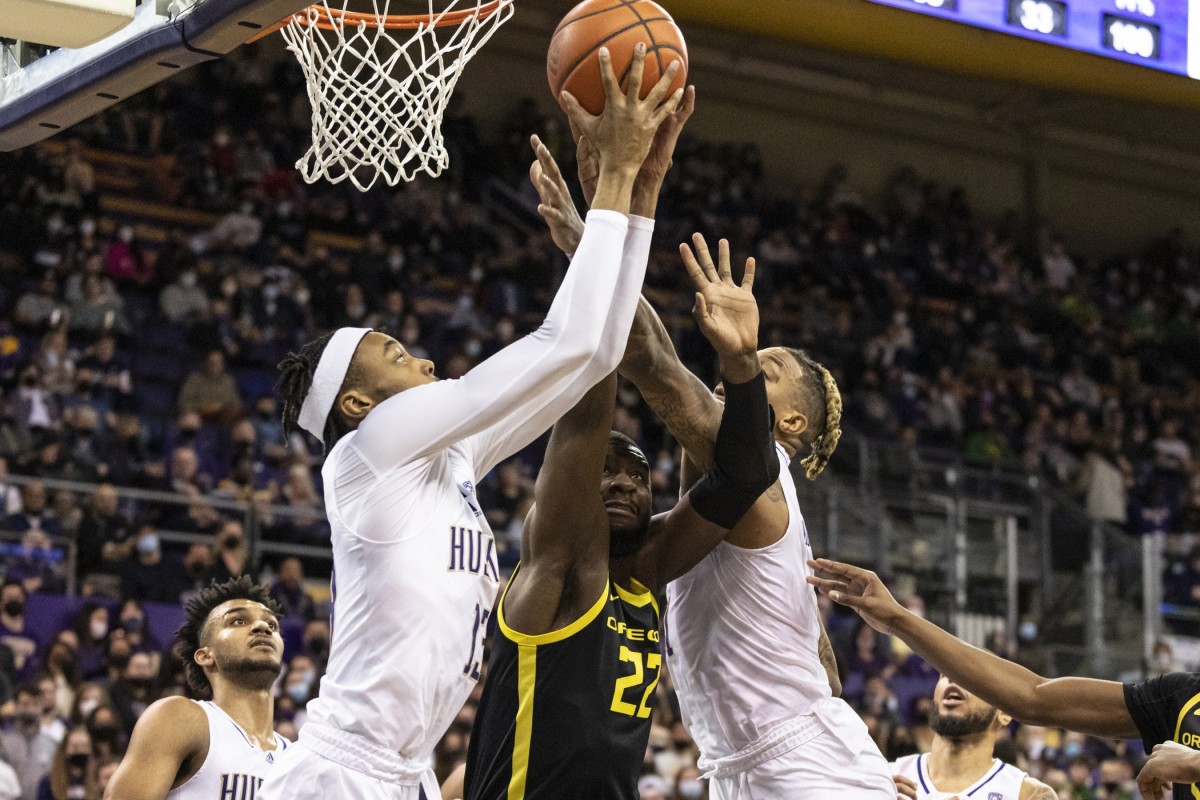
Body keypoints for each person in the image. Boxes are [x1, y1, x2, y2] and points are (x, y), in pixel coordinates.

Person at [261, 45, 684, 800]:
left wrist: (638, 198)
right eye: (392, 353)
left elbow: (595, 357)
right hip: (338, 772)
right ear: (357, 403)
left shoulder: (446, 464)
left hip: (406, 776)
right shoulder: (371, 450)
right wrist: (616, 177)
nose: (417, 356)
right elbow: (570, 341)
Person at [537, 128, 886, 799]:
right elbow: (828, 671)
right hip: (746, 765)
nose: (743, 368)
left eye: (767, 368)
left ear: (790, 424)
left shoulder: (764, 475)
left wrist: (601, 228)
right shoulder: (739, 500)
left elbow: (656, 366)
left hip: (801, 765)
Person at [465, 133, 781, 798]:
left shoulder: (647, 572)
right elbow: (589, 394)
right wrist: (611, 226)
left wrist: (743, 364)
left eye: (637, 475)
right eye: (606, 471)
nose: (620, 481)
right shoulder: (557, 566)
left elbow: (746, 474)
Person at [806, 557, 1200, 800]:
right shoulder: (1180, 698)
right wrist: (896, 619)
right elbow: (1033, 696)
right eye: (943, 679)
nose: (953, 686)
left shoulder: (1029, 792)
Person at [104, 577, 288, 800]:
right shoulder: (182, 719)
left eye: (272, 625)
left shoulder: (298, 757)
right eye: (238, 621)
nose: (262, 628)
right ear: (205, 655)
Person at [891, 676, 1056, 800]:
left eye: (972, 675)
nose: (954, 678)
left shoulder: (1029, 794)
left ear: (1004, 713)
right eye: (945, 672)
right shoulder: (885, 777)